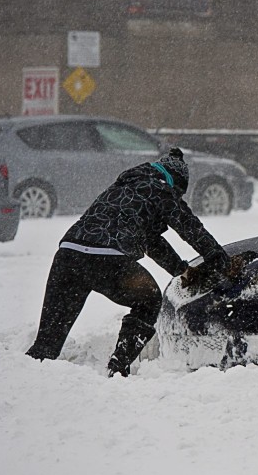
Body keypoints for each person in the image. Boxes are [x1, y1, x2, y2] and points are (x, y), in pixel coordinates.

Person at [26, 147, 230, 377]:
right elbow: (190, 227)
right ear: (177, 183)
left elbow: (150, 240)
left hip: (68, 256)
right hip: (109, 261)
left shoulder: (123, 187)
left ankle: (28, 382)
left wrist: (182, 270)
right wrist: (219, 259)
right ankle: (118, 366)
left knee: (47, 341)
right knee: (149, 300)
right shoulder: (162, 189)